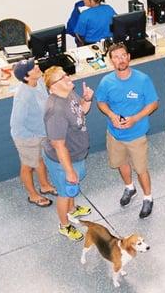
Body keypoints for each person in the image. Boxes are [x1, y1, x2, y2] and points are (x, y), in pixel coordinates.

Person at [96, 42, 159, 219]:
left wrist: (135, 119)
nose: (120, 60)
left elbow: (153, 103)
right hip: (115, 134)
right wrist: (111, 115)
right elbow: (101, 101)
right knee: (121, 163)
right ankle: (129, 188)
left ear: (129, 57)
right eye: (116, 57)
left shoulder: (142, 79)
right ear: (111, 61)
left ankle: (148, 198)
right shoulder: (106, 82)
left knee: (141, 169)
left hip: (136, 135)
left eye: (123, 55)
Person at [42, 66, 94, 241]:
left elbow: (81, 111)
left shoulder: (69, 93)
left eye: (66, 74)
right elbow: (58, 145)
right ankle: (64, 225)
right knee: (64, 193)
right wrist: (69, 170)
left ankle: (72, 210)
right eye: (62, 77)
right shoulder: (55, 110)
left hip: (76, 154)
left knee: (71, 187)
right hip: (62, 160)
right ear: (53, 87)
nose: (67, 78)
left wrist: (87, 100)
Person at [10, 59, 57, 208]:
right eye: (32, 67)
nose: (37, 67)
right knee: (28, 165)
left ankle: (44, 186)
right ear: (26, 77)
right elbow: (16, 123)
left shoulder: (40, 81)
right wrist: (32, 139)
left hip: (41, 132)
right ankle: (33, 195)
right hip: (26, 137)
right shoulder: (23, 96)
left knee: (39, 160)